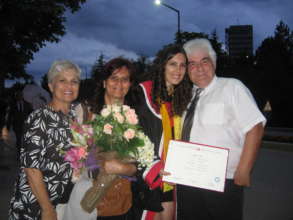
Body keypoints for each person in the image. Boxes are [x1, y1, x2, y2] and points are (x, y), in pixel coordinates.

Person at [176, 38, 266, 220]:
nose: (199, 68)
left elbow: (255, 127)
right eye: (192, 64)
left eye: (204, 61)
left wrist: (243, 170)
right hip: (187, 181)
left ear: (214, 62)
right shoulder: (186, 97)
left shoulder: (232, 87)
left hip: (222, 182)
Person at [63, 57, 138, 220]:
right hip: (91, 200)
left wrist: (125, 168)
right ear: (104, 82)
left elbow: (139, 163)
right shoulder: (86, 113)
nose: (119, 84)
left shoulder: (134, 117)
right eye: (114, 78)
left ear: (130, 84)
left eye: (125, 79)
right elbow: (70, 157)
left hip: (123, 201)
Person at [9, 60, 82, 220]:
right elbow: (31, 169)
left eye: (74, 81)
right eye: (62, 80)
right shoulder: (39, 118)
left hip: (59, 200)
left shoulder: (73, 116)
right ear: (50, 86)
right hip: (35, 204)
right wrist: (47, 209)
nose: (69, 86)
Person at [135, 44, 192, 220]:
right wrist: (153, 166)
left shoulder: (181, 98)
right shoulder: (143, 93)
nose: (178, 70)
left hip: (171, 176)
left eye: (183, 65)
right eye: (172, 64)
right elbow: (133, 134)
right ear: (162, 66)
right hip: (150, 173)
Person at [7, 89, 33, 160]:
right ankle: (19, 154)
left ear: (22, 96)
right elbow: (10, 116)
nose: (19, 97)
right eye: (17, 96)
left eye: (20, 95)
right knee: (18, 140)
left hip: (26, 125)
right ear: (16, 97)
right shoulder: (13, 105)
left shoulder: (27, 104)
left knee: (26, 140)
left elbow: (32, 114)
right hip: (16, 125)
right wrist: (8, 126)